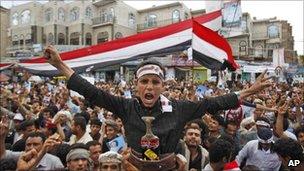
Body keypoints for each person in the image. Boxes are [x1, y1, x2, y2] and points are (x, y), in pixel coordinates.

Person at [45, 45, 272, 163]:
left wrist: (249, 90)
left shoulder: (179, 108)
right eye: (145, 82)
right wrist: (59, 64)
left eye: (155, 82)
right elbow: (91, 91)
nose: (150, 87)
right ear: (137, 85)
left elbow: (215, 102)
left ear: (163, 86)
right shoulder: (125, 107)